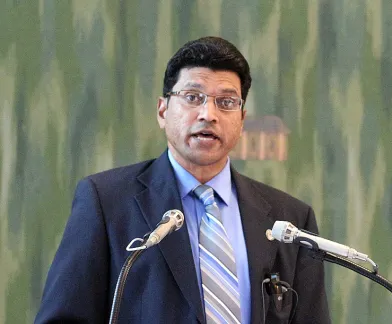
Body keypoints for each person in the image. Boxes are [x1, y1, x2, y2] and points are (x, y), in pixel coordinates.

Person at [35, 36, 330, 324]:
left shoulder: (289, 219)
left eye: (226, 102)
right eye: (192, 97)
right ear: (163, 111)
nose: (208, 114)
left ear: (241, 120)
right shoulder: (106, 203)